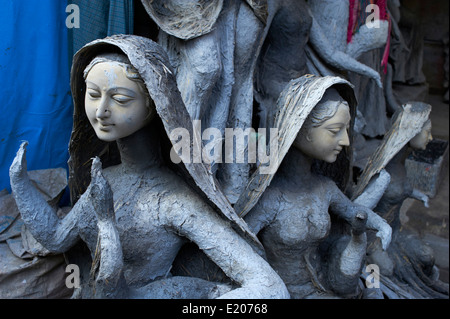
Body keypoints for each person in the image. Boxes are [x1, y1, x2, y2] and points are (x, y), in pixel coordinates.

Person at [9, 35, 289, 299]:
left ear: (154, 103)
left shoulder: (171, 202)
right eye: (93, 94)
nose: (101, 111)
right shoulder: (105, 179)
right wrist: (20, 184)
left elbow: (269, 288)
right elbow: (57, 238)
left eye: (120, 99)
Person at [240, 75, 391, 298]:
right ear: (299, 128)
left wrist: (381, 225)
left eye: (346, 129)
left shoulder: (325, 189)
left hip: (323, 286)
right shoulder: (270, 198)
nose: (346, 141)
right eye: (334, 130)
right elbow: (243, 250)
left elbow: (354, 213)